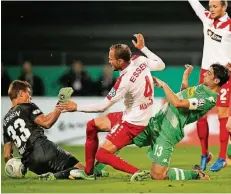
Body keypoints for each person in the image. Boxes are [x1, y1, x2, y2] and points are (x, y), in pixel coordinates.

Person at [81, 64, 229, 181]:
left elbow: (178, 103)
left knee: (158, 176)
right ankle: (95, 170)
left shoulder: (209, 99)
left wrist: (164, 85)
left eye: (209, 73)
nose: (205, 74)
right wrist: (185, 77)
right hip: (154, 123)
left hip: (167, 132)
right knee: (120, 133)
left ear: (216, 81)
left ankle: (195, 174)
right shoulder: (203, 87)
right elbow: (184, 94)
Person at [57, 33, 165, 179]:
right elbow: (161, 65)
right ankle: (89, 172)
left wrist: (77, 107)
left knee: (102, 154)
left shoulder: (124, 81)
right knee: (91, 125)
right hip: (131, 115)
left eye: (111, 59)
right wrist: (143, 48)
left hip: (133, 123)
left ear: (120, 61)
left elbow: (103, 106)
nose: (109, 61)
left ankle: (137, 172)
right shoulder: (139, 60)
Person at [3, 81, 84, 180]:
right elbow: (47, 122)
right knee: (82, 169)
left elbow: (7, 155)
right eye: (28, 93)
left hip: (31, 163)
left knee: (68, 172)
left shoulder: (6, 121)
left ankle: (55, 175)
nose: (30, 97)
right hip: (43, 148)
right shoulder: (27, 106)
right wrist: (62, 102)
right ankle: (56, 176)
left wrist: (14, 168)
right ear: (21, 93)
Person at [188, 0, 231, 171]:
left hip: (224, 75)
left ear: (224, 7)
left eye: (215, 6)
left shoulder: (229, 26)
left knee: (222, 114)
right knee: (200, 113)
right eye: (210, 6)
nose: (211, 9)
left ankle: (222, 157)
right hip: (206, 73)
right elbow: (195, 4)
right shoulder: (206, 18)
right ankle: (204, 153)